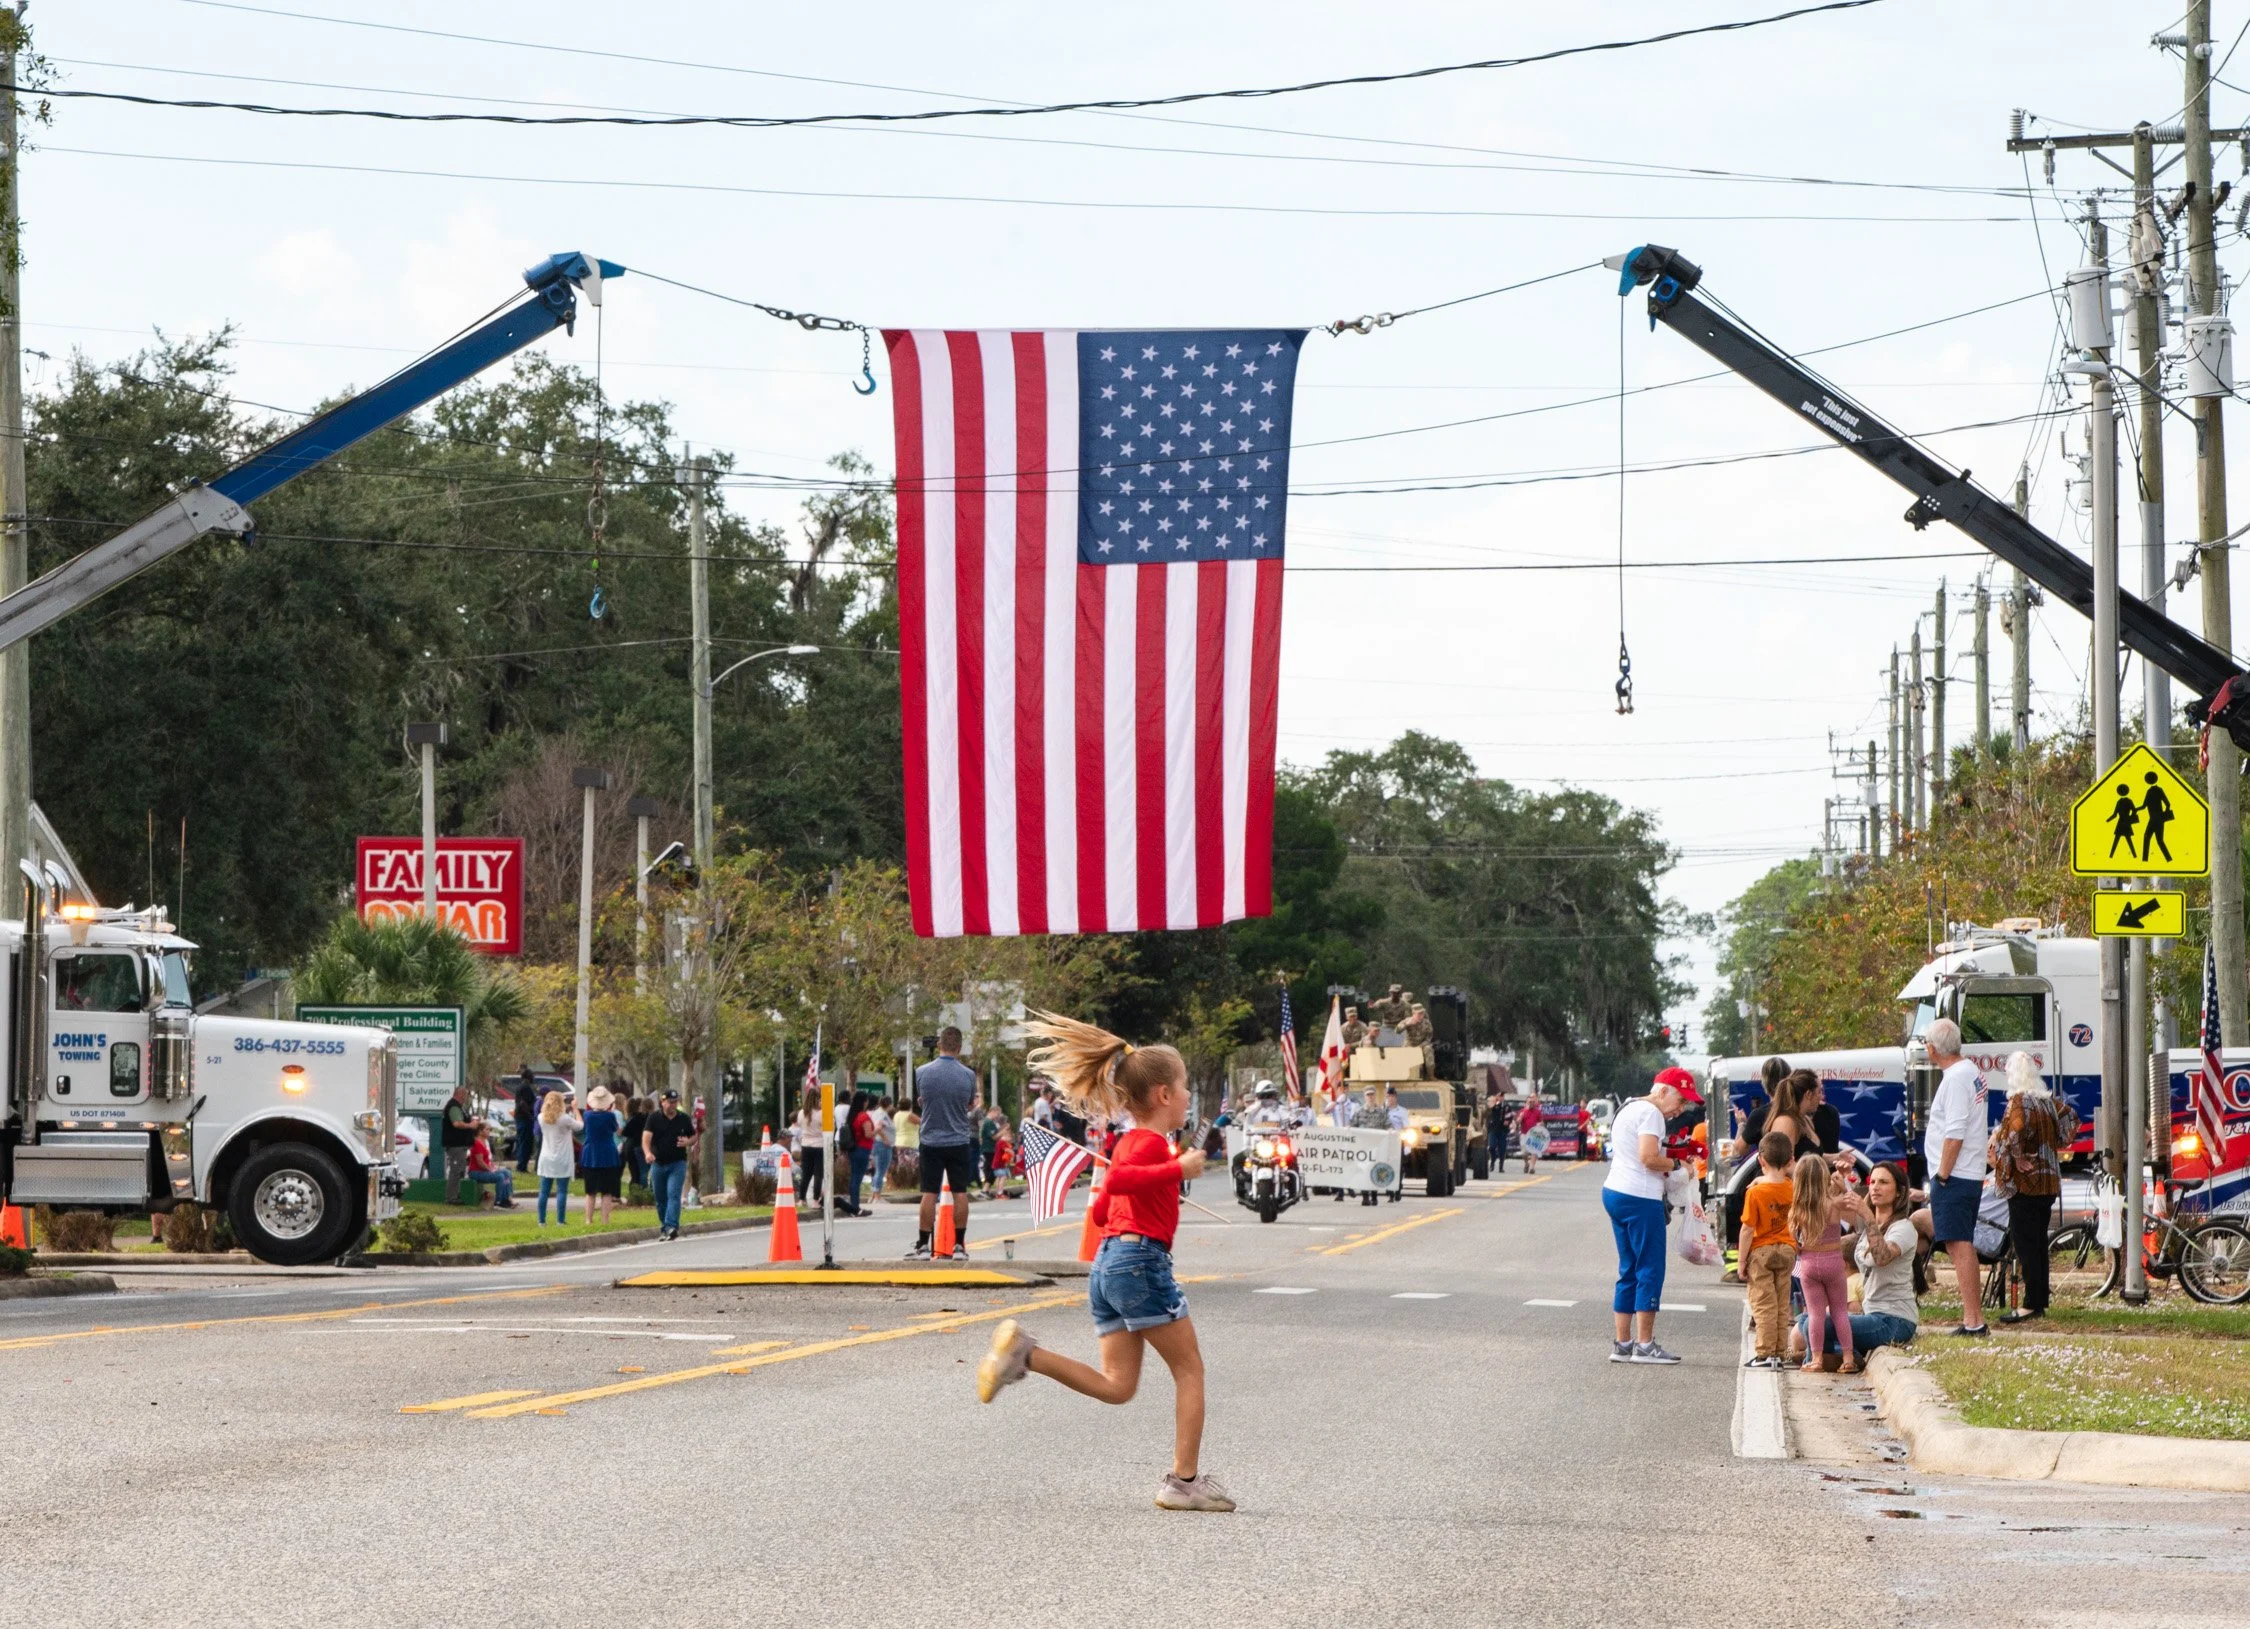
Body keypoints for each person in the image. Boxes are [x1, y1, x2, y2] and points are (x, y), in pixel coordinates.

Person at [975, 1009, 1232, 1513]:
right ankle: (1184, 1482)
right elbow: (1116, 1184)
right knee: (1190, 1371)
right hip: (1139, 1263)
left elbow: (1101, 1206)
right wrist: (1175, 1170)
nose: (1187, 1098)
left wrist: (1160, 1183)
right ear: (1163, 1095)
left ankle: (1025, 1355)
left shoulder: (1132, 1142)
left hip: (1110, 1263)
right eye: (1183, 1089)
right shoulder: (1153, 1145)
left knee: (1119, 1387)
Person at [1602, 1076, 1690, 1364]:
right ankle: (1645, 1345)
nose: (1680, 1110)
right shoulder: (1652, 1113)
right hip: (1640, 1196)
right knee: (1650, 1268)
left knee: (1628, 1268)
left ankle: (1623, 1343)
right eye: (1680, 1101)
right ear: (1663, 1091)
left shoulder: (1628, 1107)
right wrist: (1678, 1164)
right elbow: (1648, 1158)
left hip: (1615, 1190)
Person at [1796, 1162, 1921, 1362]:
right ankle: (1841, 1355)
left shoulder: (1903, 1228)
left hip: (1894, 1320)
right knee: (1805, 1319)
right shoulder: (1869, 1222)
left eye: (1883, 1182)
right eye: (1872, 1182)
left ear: (1899, 1192)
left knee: (1815, 1323)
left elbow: (1882, 1258)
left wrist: (1868, 1215)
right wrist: (1840, 1183)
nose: (1875, 1187)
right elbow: (1830, 1206)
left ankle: (1825, 1358)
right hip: (1871, 1315)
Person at [1991, 1051, 2074, 1324]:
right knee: (2038, 1243)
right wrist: (2055, 1144)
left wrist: (2017, 1156)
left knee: (2025, 1244)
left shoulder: (2019, 1101)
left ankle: (2030, 1304)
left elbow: (2014, 1131)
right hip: (2049, 1182)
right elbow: (2072, 1118)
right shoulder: (2046, 1102)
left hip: (2027, 1184)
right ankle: (2039, 1301)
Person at [1921, 1017, 1991, 1337]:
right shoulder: (1970, 1071)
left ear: (1933, 1049)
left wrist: (1943, 1174)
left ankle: (1973, 1320)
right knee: (1958, 1243)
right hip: (1968, 1172)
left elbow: (1955, 1131)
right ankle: (1972, 1317)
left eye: (1926, 1043)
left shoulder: (1955, 1079)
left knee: (1959, 1244)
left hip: (1957, 1174)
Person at [910, 1026, 978, 1260]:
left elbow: (921, 1100)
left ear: (939, 1045)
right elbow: (970, 1104)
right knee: (960, 1192)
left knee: (929, 1193)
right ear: (959, 1048)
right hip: (959, 1139)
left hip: (930, 1139)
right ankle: (959, 1245)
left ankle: (922, 1244)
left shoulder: (921, 1072)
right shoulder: (968, 1075)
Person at [1789, 1153, 1855, 1373]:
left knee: (1816, 1313)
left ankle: (1816, 1359)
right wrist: (1843, 1184)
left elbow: (1795, 1245)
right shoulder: (1833, 1204)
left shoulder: (1797, 1211)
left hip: (1808, 1264)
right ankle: (1847, 1358)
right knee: (1839, 1311)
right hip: (1833, 1261)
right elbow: (1852, 1210)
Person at [1736, 1132, 1796, 1367]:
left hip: (1761, 1251)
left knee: (1763, 1304)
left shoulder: (1755, 1192)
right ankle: (1781, 1352)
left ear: (1761, 1160)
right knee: (1782, 1304)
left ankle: (1764, 1352)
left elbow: (1747, 1229)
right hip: (1787, 1249)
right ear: (1791, 1160)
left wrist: (1741, 1261)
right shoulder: (1792, 1188)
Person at [642, 1087, 698, 1240]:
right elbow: (646, 1138)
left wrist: (688, 1141)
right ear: (662, 1102)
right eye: (670, 1102)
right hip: (658, 1163)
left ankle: (671, 1225)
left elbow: (693, 1137)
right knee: (660, 1198)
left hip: (677, 1163)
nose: (673, 1105)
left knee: (673, 1194)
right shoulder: (654, 1118)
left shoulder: (683, 1118)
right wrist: (648, 1153)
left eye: (675, 1102)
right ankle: (664, 1227)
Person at [535, 1088, 581, 1228]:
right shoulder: (564, 1118)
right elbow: (580, 1126)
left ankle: (541, 1221)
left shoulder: (541, 1117)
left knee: (544, 1191)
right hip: (562, 1157)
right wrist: (575, 1109)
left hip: (546, 1157)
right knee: (561, 1191)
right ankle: (560, 1220)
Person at [578, 1085, 623, 1226]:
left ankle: (588, 1220)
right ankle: (605, 1220)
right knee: (607, 1192)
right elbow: (617, 1131)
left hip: (590, 1154)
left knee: (590, 1191)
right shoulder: (610, 1116)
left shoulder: (587, 1115)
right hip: (608, 1154)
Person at [440, 1085, 481, 1206]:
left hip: (460, 1144)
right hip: (455, 1145)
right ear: (460, 1094)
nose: (466, 1098)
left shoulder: (459, 1107)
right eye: (465, 1095)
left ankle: (455, 1195)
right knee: (455, 1170)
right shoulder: (453, 1106)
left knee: (458, 1171)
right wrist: (471, 1126)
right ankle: (451, 1197)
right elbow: (456, 1123)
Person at [791, 1086, 827, 1210]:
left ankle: (801, 1199)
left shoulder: (802, 1113)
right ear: (818, 1099)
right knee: (818, 1174)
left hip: (806, 1145)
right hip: (819, 1145)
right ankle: (815, 1200)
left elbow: (800, 1125)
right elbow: (828, 1126)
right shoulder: (821, 1113)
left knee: (806, 1174)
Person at [465, 1127, 515, 1209]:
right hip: (476, 1172)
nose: (489, 1131)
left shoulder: (485, 1142)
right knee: (500, 1177)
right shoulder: (477, 1143)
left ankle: (506, 1199)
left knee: (506, 1173)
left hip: (484, 1170)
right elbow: (480, 1162)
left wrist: (493, 1167)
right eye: (487, 1129)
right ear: (480, 1131)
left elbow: (487, 1160)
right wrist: (491, 1170)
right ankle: (498, 1201)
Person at [620, 1094, 650, 1197]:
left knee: (635, 1172)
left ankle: (635, 1193)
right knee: (638, 1172)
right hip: (636, 1146)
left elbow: (625, 1132)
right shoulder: (641, 1117)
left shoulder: (632, 1118)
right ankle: (638, 1193)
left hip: (630, 1147)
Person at [512, 1066, 540, 1173]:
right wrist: (530, 1115)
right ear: (528, 1076)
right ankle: (522, 1166)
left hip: (521, 1118)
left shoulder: (521, 1087)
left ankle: (521, 1165)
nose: (534, 1077)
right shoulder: (525, 1088)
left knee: (522, 1141)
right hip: (524, 1119)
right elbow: (522, 1103)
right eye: (532, 1075)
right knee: (525, 1142)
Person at [869, 1096, 896, 1196]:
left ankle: (874, 1194)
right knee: (881, 1171)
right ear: (889, 1104)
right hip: (883, 1145)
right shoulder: (881, 1114)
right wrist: (885, 1139)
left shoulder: (878, 1113)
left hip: (878, 1144)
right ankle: (877, 1195)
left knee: (878, 1171)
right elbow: (878, 1127)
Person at [1517, 1096, 1545, 1176]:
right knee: (1524, 1153)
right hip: (1524, 1134)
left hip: (1534, 1135)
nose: (1531, 1103)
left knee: (1534, 1151)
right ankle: (1526, 1163)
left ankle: (1532, 1168)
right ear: (1526, 1103)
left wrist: (1540, 1124)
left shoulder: (1537, 1112)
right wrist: (1520, 1117)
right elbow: (1518, 1122)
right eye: (1530, 1102)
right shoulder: (1522, 1111)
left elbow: (1542, 1122)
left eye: (1533, 1102)